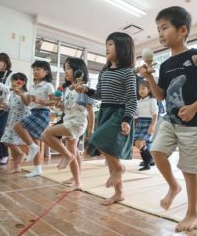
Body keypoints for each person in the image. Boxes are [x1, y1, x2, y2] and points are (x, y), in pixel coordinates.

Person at [139, 6, 197, 232]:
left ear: (183, 30)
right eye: (158, 29)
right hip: (170, 121)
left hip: (195, 124)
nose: (160, 34)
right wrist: (150, 78)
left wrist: (194, 108)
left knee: (189, 169)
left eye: (164, 28)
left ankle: (192, 213)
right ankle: (173, 187)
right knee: (156, 151)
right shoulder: (164, 65)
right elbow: (160, 95)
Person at [76, 32, 137, 205]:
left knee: (96, 139)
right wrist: (86, 90)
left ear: (123, 48)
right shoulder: (104, 72)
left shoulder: (128, 73)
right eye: (106, 45)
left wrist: (127, 119)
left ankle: (119, 168)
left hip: (119, 114)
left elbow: (132, 99)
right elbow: (100, 95)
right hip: (105, 112)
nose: (107, 48)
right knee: (111, 153)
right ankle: (119, 193)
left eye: (110, 44)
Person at [42, 57, 95, 192]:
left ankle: (66, 156)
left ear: (79, 71)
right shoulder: (68, 90)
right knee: (74, 151)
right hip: (69, 120)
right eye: (65, 68)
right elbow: (68, 107)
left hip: (77, 123)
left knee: (46, 133)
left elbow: (90, 110)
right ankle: (77, 181)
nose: (66, 71)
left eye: (69, 68)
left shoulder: (83, 89)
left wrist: (91, 128)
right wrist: (61, 105)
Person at [13, 60, 55, 178]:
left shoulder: (48, 86)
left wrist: (40, 101)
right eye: (34, 69)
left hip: (43, 114)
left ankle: (32, 147)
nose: (35, 72)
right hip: (33, 112)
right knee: (35, 141)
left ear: (45, 72)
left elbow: (53, 103)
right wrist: (21, 94)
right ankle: (38, 169)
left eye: (38, 69)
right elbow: (27, 103)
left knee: (17, 125)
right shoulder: (31, 86)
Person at [0, 72, 30, 173]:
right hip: (10, 120)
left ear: (23, 82)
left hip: (20, 122)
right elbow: (10, 107)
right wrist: (4, 106)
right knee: (12, 143)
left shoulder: (26, 93)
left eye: (16, 80)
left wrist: (21, 94)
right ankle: (17, 167)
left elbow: (27, 105)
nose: (13, 83)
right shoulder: (12, 94)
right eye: (12, 80)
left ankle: (21, 154)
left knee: (6, 140)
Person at [0, 53, 13, 165]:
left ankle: (5, 155)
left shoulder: (11, 74)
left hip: (5, 108)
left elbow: (10, 90)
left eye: (1, 60)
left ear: (6, 61)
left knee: (1, 132)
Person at [134, 80, 158, 171]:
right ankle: (148, 160)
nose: (141, 90)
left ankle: (147, 163)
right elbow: (136, 115)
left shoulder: (152, 100)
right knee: (138, 144)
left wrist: (152, 125)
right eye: (139, 89)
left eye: (143, 88)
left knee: (140, 144)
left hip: (148, 123)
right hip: (139, 123)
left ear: (149, 89)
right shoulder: (138, 102)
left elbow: (155, 114)